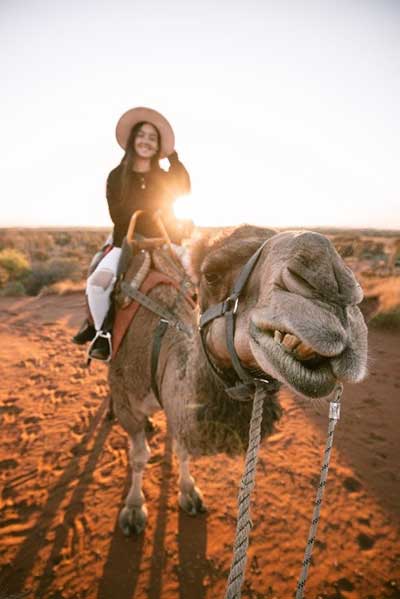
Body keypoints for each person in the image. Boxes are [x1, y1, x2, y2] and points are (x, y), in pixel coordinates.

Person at [72, 106, 191, 361]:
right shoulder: (117, 176)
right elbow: (118, 216)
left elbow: (184, 189)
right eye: (142, 135)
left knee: (198, 272)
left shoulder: (165, 176)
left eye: (152, 137)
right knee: (97, 283)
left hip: (165, 238)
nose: (146, 141)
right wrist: (151, 214)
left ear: (158, 145)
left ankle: (205, 326)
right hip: (128, 239)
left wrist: (174, 158)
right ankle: (102, 331)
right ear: (132, 140)